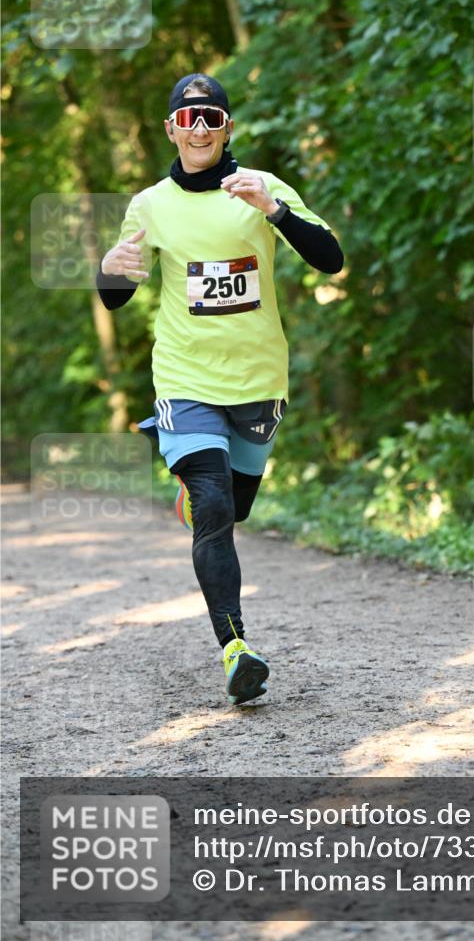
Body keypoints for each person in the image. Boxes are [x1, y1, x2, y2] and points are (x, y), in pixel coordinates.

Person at [97, 73, 343, 705]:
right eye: (189, 117)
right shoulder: (150, 204)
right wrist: (108, 273)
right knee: (212, 506)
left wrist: (274, 210)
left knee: (233, 507)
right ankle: (236, 648)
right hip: (185, 377)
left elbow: (330, 259)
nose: (200, 129)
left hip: (259, 381)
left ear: (228, 127)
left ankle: (196, 499)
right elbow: (118, 291)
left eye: (212, 117)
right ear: (171, 129)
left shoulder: (261, 189)